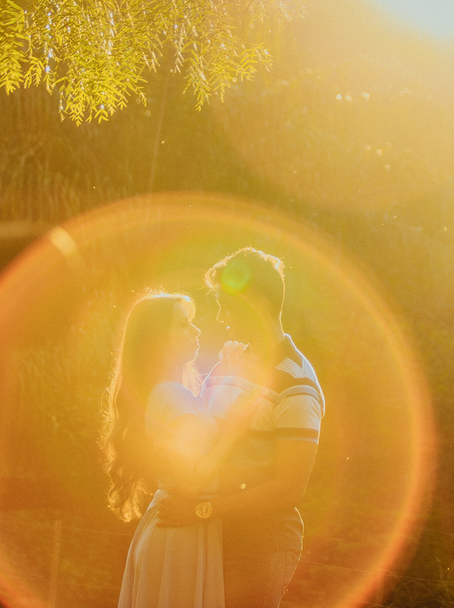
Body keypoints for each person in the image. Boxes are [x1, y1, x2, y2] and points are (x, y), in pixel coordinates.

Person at [158, 248, 325, 608]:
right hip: (214, 534)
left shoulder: (297, 385)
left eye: (226, 304)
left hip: (260, 545)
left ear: (257, 302)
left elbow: (288, 491)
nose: (220, 316)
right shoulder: (231, 362)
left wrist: (202, 510)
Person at [102, 292, 253, 608]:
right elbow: (191, 481)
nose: (196, 331)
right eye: (184, 324)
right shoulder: (171, 398)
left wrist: (226, 373)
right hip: (178, 536)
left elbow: (200, 423)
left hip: (179, 529)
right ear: (160, 340)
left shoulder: (172, 394)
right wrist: (234, 431)